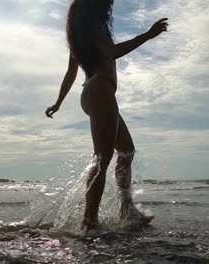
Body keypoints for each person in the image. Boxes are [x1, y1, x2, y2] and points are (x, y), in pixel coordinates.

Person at [45, 0, 168, 231]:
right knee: (102, 157)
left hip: (94, 91)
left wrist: (58, 103)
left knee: (126, 151)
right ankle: (90, 219)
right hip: (101, 90)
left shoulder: (80, 36)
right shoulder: (94, 28)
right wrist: (148, 35)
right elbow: (113, 52)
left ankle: (126, 208)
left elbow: (71, 74)